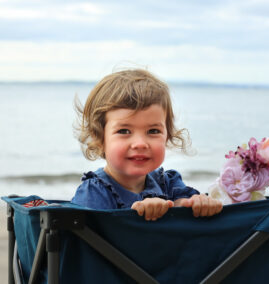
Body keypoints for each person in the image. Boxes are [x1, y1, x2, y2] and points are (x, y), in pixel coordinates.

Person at [72, 69, 222, 221]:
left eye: (153, 131)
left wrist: (195, 204)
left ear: (167, 136)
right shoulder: (94, 192)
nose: (140, 144)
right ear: (99, 138)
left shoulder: (169, 183)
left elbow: (183, 205)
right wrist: (141, 218)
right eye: (124, 131)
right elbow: (84, 241)